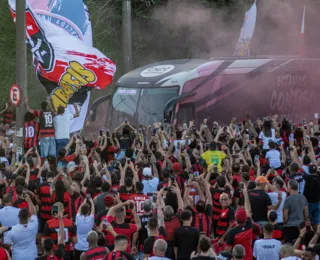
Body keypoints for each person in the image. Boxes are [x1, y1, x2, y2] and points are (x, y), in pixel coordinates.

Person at [6, 194, 38, 260]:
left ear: (18, 217)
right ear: (28, 216)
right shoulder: (33, 225)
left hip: (17, 257)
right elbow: (34, 213)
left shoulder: (12, 230)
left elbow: (7, 246)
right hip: (32, 257)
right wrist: (29, 199)